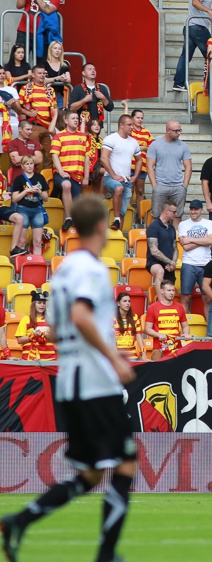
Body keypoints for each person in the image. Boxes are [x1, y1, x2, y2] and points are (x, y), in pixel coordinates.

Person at [0, 195, 137, 562]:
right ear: (102, 227)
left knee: (91, 474)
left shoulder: (63, 272)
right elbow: (79, 316)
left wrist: (98, 344)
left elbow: (59, 330)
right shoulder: (91, 269)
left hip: (70, 382)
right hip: (95, 382)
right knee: (125, 464)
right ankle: (107, 554)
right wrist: (113, 357)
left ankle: (19, 520)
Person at [100, 115, 142, 231]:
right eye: (129, 125)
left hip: (126, 180)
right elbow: (103, 158)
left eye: (132, 125)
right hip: (110, 178)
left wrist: (135, 176)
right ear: (121, 125)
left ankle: (118, 230)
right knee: (119, 188)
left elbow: (139, 160)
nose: (132, 127)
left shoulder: (133, 142)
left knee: (123, 211)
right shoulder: (111, 138)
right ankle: (116, 219)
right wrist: (113, 175)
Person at [49, 110, 88, 231]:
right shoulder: (58, 136)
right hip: (62, 174)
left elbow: (87, 158)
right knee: (66, 185)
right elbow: (54, 156)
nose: (76, 120)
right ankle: (68, 218)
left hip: (77, 176)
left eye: (77, 118)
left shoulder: (83, 137)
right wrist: (61, 172)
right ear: (65, 120)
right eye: (73, 118)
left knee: (78, 208)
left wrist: (86, 177)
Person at [148, 120, 193, 220]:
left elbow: (189, 167)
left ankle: (175, 232)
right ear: (168, 130)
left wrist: (184, 186)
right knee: (156, 215)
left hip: (178, 186)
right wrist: (155, 186)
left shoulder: (183, 146)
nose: (179, 133)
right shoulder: (156, 145)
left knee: (177, 216)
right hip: (161, 185)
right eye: (176, 131)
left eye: (180, 130)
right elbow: (149, 166)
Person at [177, 200, 212, 313]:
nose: (193, 211)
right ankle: (183, 323)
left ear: (201, 210)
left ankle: (208, 324)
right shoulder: (183, 224)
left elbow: (211, 241)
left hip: (206, 264)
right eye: (191, 209)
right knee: (185, 297)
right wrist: (204, 240)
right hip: (189, 264)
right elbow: (186, 247)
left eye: (196, 209)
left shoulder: (209, 223)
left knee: (207, 298)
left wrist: (190, 239)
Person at [9, 156, 48, 256]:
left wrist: (39, 191)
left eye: (31, 163)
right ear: (22, 166)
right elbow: (14, 199)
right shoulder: (19, 179)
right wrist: (26, 191)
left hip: (37, 210)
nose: (30, 166)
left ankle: (36, 264)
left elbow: (46, 198)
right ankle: (21, 264)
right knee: (22, 242)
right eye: (27, 164)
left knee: (38, 242)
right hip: (23, 209)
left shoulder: (40, 177)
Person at [145, 280, 190, 360]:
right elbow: (147, 329)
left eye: (173, 290)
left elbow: (185, 325)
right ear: (162, 291)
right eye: (169, 290)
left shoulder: (179, 307)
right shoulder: (153, 307)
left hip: (176, 347)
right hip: (159, 347)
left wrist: (186, 333)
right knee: (158, 367)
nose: (172, 293)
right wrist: (158, 335)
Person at [147, 201, 179, 290]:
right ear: (166, 211)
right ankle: (160, 299)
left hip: (169, 263)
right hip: (154, 262)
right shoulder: (154, 226)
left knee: (169, 290)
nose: (176, 214)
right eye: (174, 212)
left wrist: (173, 262)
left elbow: (175, 248)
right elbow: (154, 251)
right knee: (160, 271)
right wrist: (170, 262)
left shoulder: (171, 228)